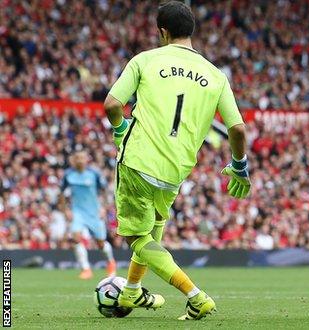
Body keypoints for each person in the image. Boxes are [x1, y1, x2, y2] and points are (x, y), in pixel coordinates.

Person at [103, 1, 250, 321]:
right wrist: (239, 165)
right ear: (192, 32)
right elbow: (237, 128)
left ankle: (195, 295)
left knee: (137, 238)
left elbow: (113, 104)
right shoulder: (216, 75)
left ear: (162, 32)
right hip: (176, 169)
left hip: (138, 160)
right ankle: (130, 291)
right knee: (153, 230)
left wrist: (120, 131)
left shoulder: (145, 60)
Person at [59, 150, 116, 279]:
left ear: (86, 159)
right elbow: (61, 193)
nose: (79, 160)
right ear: (74, 159)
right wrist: (66, 210)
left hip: (94, 212)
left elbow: (105, 191)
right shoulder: (68, 174)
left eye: (82, 158)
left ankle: (111, 262)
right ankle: (86, 269)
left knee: (100, 243)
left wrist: (104, 208)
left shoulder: (94, 173)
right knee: (76, 238)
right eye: (77, 158)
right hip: (77, 212)